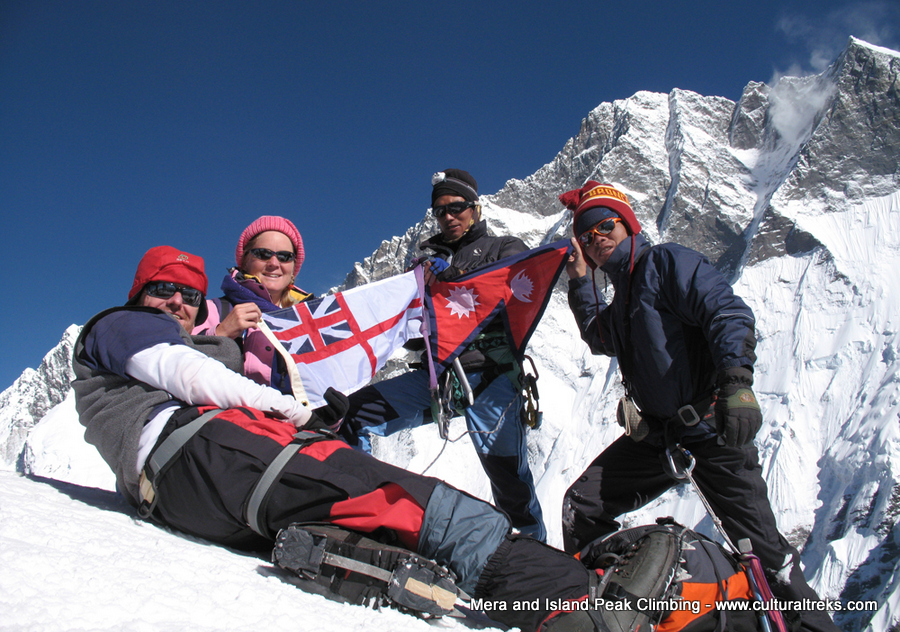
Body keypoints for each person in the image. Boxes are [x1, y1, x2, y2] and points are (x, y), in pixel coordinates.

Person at [71, 244, 606, 632]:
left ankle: (452, 582)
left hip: (191, 487)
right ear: (138, 293)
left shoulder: (200, 338)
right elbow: (187, 373)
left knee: (359, 519)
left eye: (188, 293)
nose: (176, 301)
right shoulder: (124, 325)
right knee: (394, 497)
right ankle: (575, 601)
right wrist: (292, 412)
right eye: (162, 288)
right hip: (203, 447)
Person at [560, 182, 840, 632]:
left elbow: (726, 312)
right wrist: (578, 282)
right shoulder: (624, 293)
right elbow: (601, 336)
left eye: (605, 225)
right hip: (661, 437)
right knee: (583, 505)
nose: (596, 239)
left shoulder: (664, 262)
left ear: (626, 224)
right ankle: (605, 614)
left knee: (763, 553)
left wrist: (736, 383)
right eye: (587, 234)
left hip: (711, 428)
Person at [339, 169, 546, 541]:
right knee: (355, 414)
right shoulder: (425, 264)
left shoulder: (506, 248)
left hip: (492, 376)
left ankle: (536, 560)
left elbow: (513, 296)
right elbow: (413, 338)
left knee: (508, 480)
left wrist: (452, 279)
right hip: (439, 380)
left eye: (457, 207)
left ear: (476, 209)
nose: (448, 216)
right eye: (440, 211)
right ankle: (359, 508)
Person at [193, 215, 313, 389]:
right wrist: (220, 334)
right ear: (245, 261)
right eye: (262, 254)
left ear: (294, 266)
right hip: (229, 412)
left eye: (285, 257)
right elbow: (175, 365)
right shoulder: (211, 311)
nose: (274, 263)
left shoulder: (311, 318)